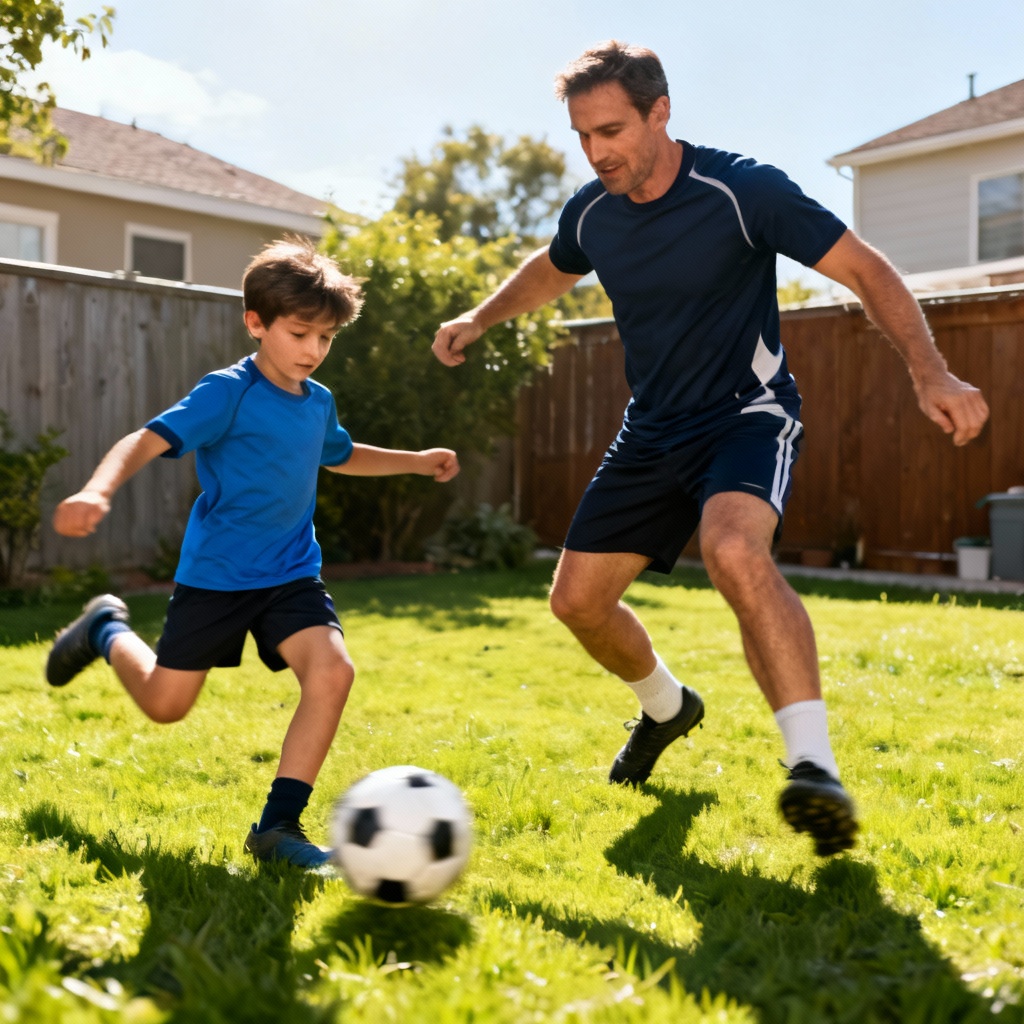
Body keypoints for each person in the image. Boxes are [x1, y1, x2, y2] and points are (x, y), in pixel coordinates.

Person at [432, 41, 989, 856]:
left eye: (612, 131)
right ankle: (667, 708)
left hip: (744, 416)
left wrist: (931, 371)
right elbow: (553, 269)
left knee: (732, 549)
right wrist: (479, 318)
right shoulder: (592, 212)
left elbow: (866, 270)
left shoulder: (742, 191)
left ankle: (813, 768)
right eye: (583, 135)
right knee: (577, 603)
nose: (596, 152)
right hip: (652, 427)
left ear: (660, 112)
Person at [47, 238, 460, 868]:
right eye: (300, 334)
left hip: (292, 573)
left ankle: (277, 828)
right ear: (256, 323)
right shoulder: (227, 393)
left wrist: (416, 461)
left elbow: (339, 454)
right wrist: (97, 489)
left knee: (333, 672)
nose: (313, 351)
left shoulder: (317, 401)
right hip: (218, 577)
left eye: (326, 338)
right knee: (165, 705)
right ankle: (105, 629)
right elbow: (146, 439)